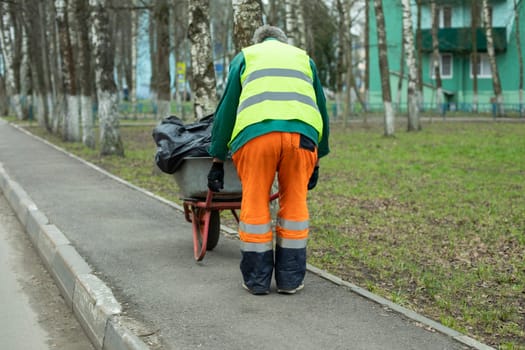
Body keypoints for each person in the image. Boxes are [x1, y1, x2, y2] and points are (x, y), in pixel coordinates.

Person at [207, 25, 330, 295]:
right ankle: (290, 280)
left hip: (256, 138)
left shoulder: (246, 57)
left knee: (254, 202)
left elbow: (227, 109)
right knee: (295, 203)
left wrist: (217, 158)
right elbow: (320, 108)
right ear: (283, 42)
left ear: (258, 41)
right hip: (303, 138)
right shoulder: (304, 59)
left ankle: (257, 279)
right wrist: (318, 158)